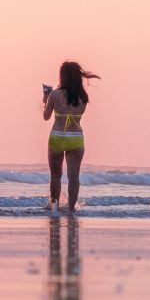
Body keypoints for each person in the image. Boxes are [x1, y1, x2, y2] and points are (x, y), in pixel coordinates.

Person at [42, 60, 98, 212]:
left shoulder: (54, 95)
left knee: (56, 175)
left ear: (63, 77)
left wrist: (45, 100)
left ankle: (54, 207)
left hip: (58, 137)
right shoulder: (83, 98)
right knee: (74, 177)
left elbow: (46, 117)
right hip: (76, 139)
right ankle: (71, 209)